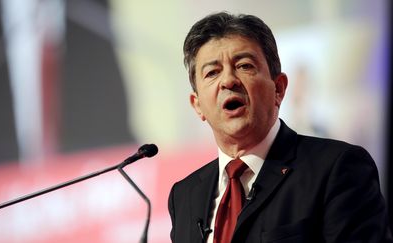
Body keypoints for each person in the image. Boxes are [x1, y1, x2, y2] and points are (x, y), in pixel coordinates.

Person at [168, 12, 392, 243]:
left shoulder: (337, 168)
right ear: (198, 106)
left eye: (244, 66)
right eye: (212, 72)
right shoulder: (185, 195)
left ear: (279, 89)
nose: (228, 81)